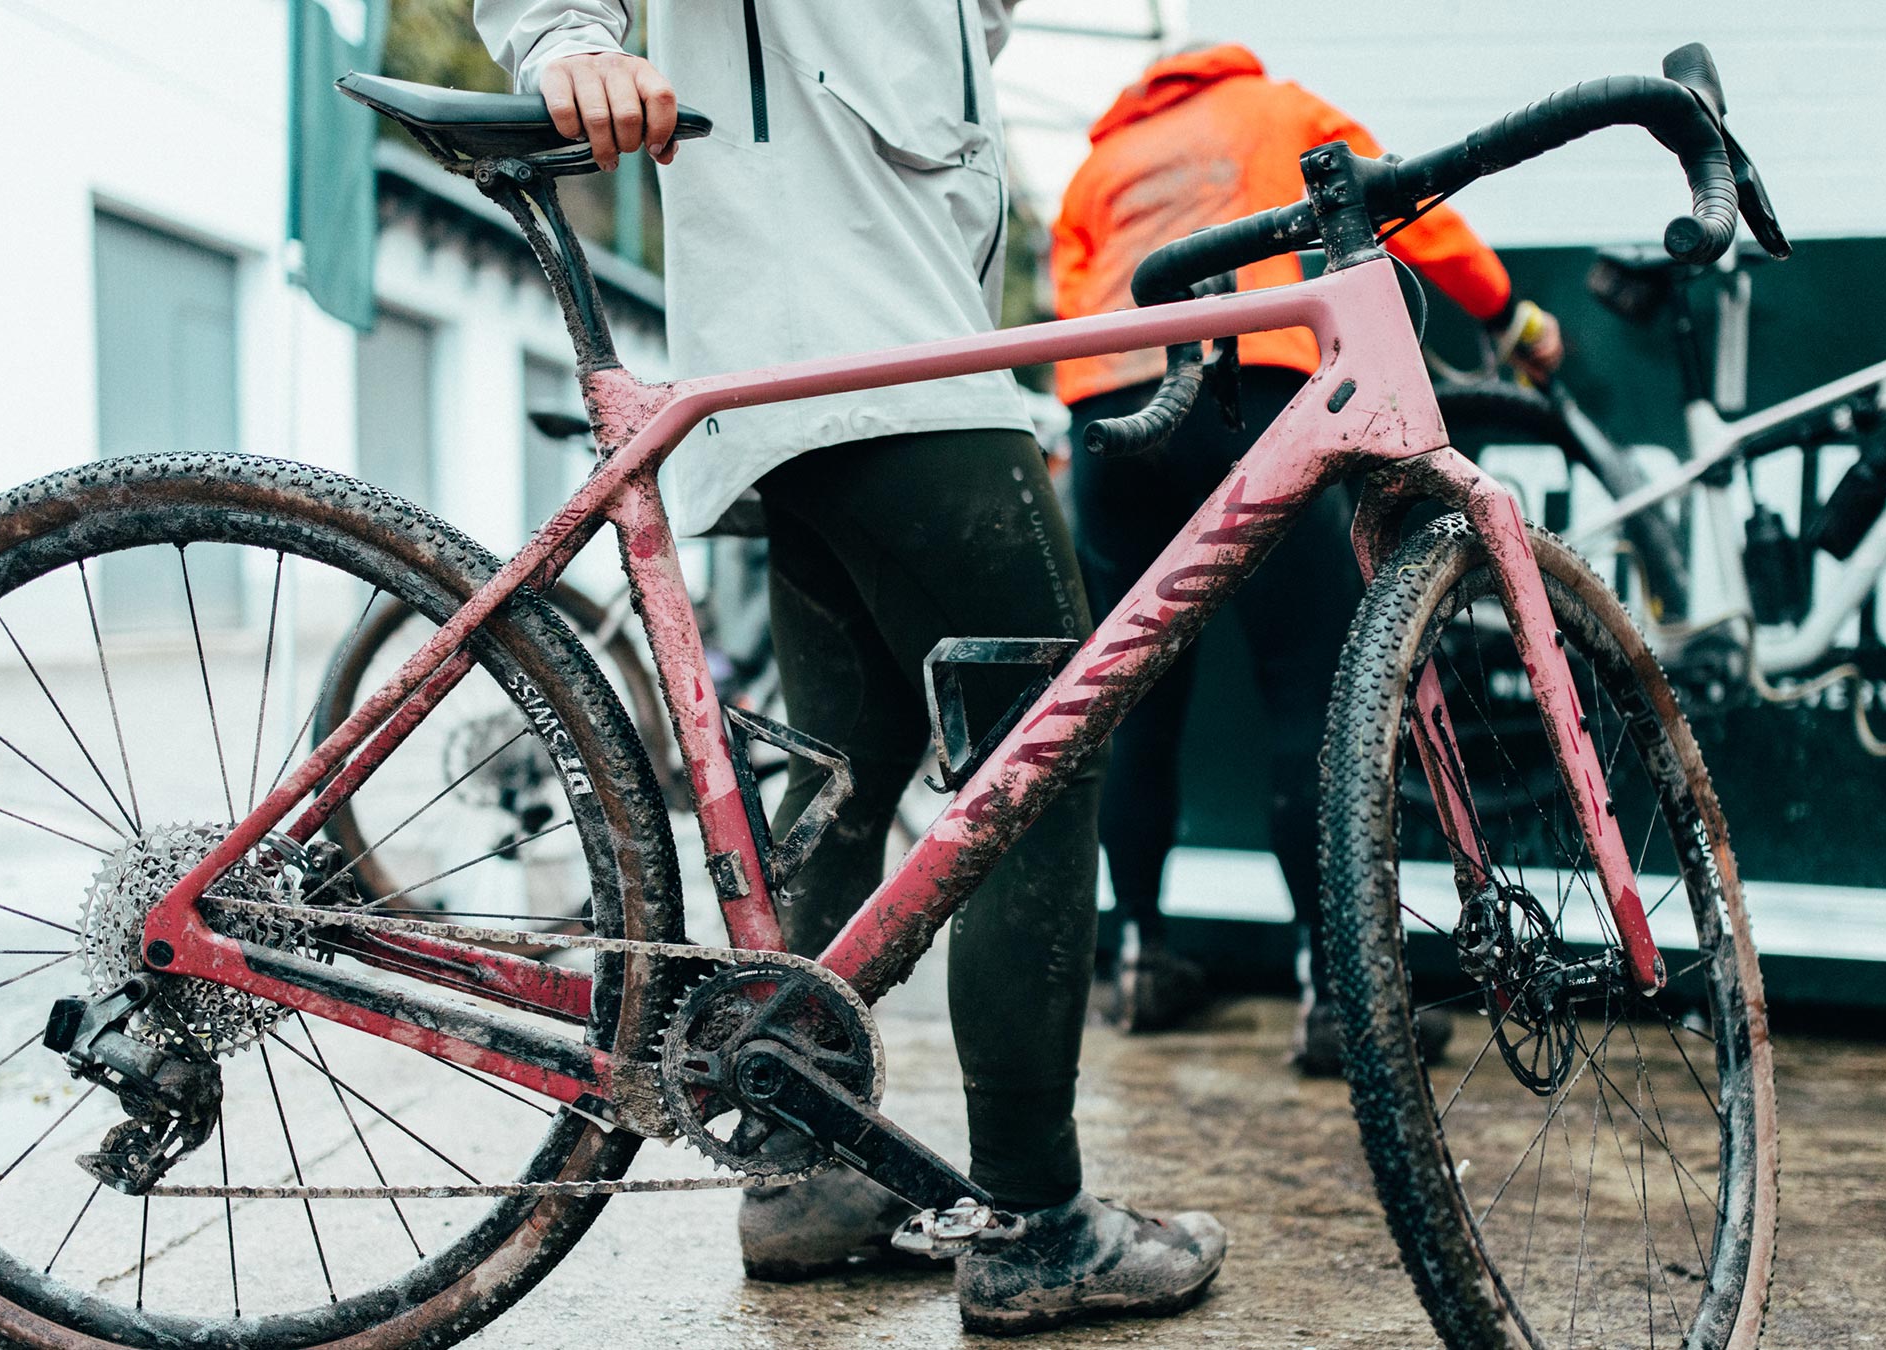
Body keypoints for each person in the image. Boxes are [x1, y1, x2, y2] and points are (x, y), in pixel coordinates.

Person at [472, 0, 1224, 1335]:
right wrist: (559, 34)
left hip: (839, 346)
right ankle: (1035, 1220)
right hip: (860, 344)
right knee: (1045, 749)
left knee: (853, 769)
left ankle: (804, 1176)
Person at [1051, 42, 1564, 1074]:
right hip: (1245, 388)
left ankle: (1141, 956)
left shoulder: (1099, 166)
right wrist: (1513, 315)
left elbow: (1074, 295)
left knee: (1136, 693)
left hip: (1110, 417)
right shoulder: (1277, 109)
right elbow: (1402, 207)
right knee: (1311, 684)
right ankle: (1337, 995)